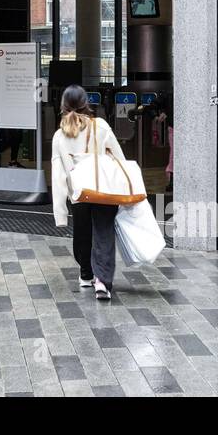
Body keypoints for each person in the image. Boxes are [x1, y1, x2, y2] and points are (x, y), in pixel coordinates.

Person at [51, 84, 130, 302]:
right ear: (87, 104)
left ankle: (86, 273)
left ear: (63, 107)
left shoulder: (59, 135)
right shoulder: (101, 126)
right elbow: (119, 159)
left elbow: (58, 176)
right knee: (104, 234)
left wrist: (59, 211)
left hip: (78, 193)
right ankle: (102, 281)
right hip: (103, 189)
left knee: (82, 234)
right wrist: (125, 189)